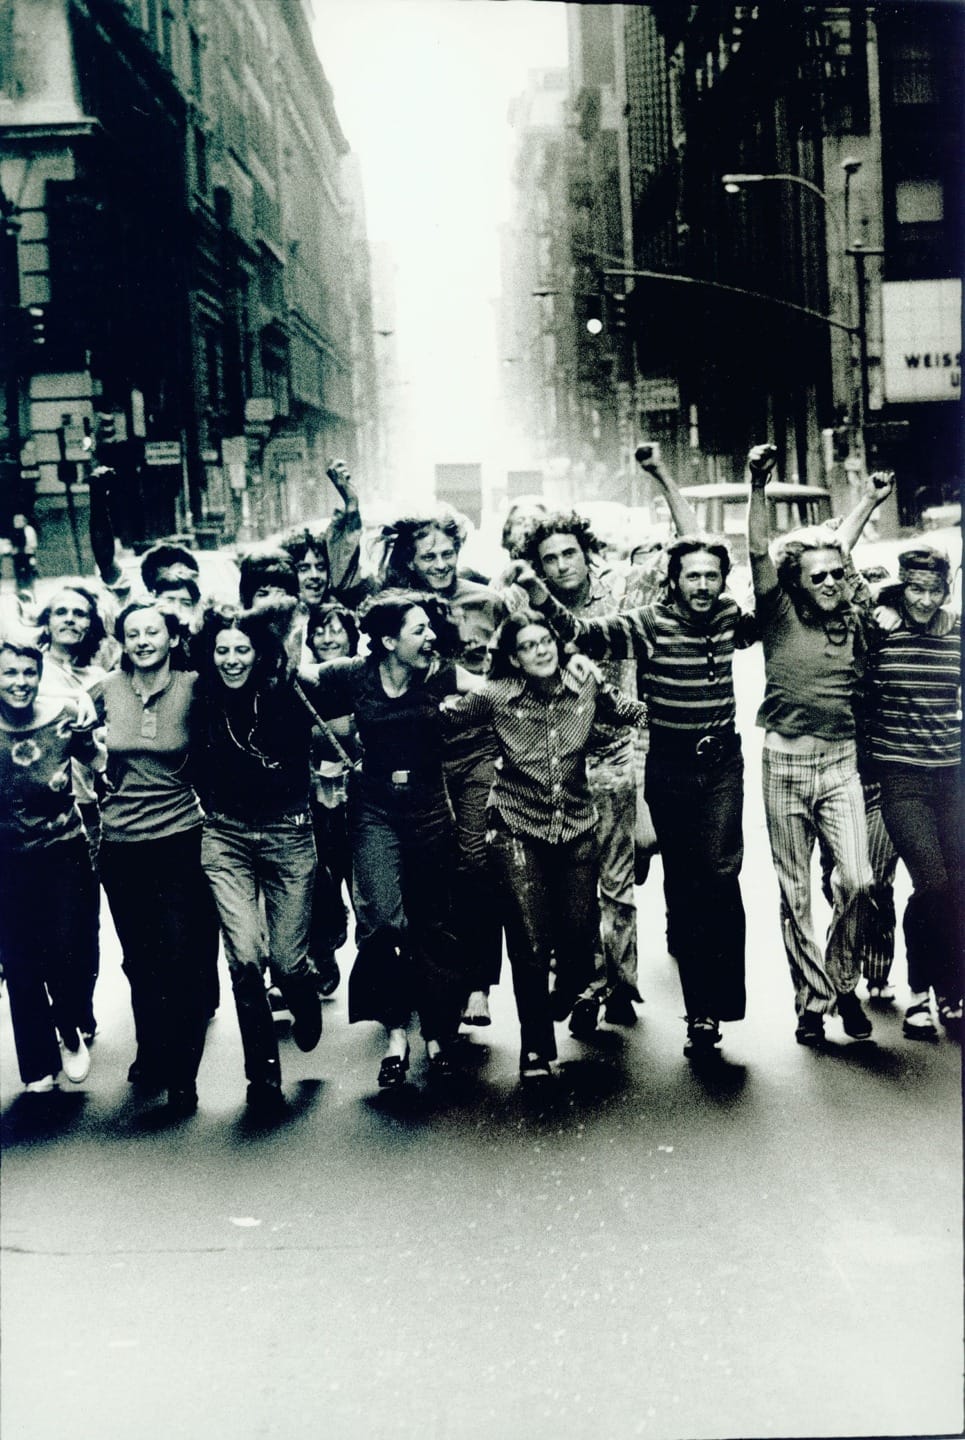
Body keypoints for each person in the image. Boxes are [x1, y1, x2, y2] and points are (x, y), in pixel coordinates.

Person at [512, 524, 757, 1060]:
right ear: (672, 581)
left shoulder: (728, 619)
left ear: (722, 581)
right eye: (691, 575)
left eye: (712, 575)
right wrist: (538, 596)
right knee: (688, 884)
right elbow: (580, 630)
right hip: (669, 763)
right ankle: (702, 1013)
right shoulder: (648, 624)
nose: (702, 584)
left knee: (720, 876)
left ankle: (722, 998)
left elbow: (769, 582)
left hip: (722, 764)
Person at [441, 610, 648, 1080]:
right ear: (513, 657)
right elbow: (444, 718)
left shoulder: (586, 687)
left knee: (577, 938)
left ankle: (569, 986)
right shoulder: (495, 696)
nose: (540, 651)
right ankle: (534, 1047)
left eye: (545, 641)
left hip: (576, 827)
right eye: (528, 646)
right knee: (530, 944)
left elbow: (632, 712)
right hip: (516, 829)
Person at [747, 447, 895, 1047]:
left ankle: (838, 981)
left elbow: (838, 552)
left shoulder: (851, 617)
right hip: (782, 763)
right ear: (795, 583)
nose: (832, 581)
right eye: (819, 576)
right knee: (796, 893)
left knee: (859, 881)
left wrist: (868, 502)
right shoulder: (779, 612)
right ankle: (812, 1004)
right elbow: (760, 552)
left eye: (839, 573)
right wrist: (757, 483)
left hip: (840, 764)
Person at [302, 590, 478, 1089]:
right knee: (381, 921)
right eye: (418, 630)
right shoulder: (350, 675)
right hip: (373, 807)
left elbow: (490, 691)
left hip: (428, 807)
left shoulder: (440, 673)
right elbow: (298, 680)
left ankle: (438, 1036)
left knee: (432, 922)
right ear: (386, 641)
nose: (429, 637)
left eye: (429, 628)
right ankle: (396, 1034)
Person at [191, 600, 324, 1114]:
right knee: (246, 958)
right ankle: (263, 1074)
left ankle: (302, 990)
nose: (230, 659)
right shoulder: (200, 694)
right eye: (221, 649)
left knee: (288, 962)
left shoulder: (286, 690)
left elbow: (293, 611)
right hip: (224, 835)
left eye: (241, 649)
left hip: (289, 833)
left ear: (258, 652)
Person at [376, 508, 506, 1028]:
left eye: (446, 553)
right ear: (409, 558)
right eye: (426, 555)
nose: (438, 563)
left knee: (476, 864)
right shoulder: (398, 609)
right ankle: (432, 983)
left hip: (476, 749)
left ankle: (479, 984)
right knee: (426, 876)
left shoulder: (486, 601)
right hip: (416, 757)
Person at [91, 600, 216, 1115]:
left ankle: (183, 1074)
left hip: (181, 837)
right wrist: (94, 767)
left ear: (170, 638)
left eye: (152, 632)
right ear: (123, 640)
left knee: (182, 954)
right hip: (120, 845)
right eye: (133, 633)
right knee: (141, 960)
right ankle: (150, 1046)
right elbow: (70, 737)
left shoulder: (193, 687)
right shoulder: (104, 690)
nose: (143, 641)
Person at [865, 545, 962, 1040]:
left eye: (933, 590)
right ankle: (919, 995)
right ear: (902, 586)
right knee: (933, 884)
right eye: (914, 589)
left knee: (959, 888)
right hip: (901, 779)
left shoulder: (958, 632)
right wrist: (881, 599)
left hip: (952, 776)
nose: (923, 600)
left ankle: (950, 992)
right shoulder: (881, 629)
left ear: (946, 589)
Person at [0, 637, 101, 1093]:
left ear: (39, 677)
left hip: (62, 849)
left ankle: (69, 1027)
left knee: (66, 948)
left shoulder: (63, 717)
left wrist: (85, 709)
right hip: (5, 859)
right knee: (19, 962)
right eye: (8, 673)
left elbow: (97, 759)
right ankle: (38, 1064)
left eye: (27, 673)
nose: (19, 683)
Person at [35, 584, 108, 1039]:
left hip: (93, 808)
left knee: (84, 918)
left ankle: (78, 1003)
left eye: (79, 614)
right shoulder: (27, 672)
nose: (70, 620)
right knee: (44, 919)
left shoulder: (101, 677)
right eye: (61, 612)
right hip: (41, 809)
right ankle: (60, 1003)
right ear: (46, 621)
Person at [304, 602, 362, 1000]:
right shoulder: (303, 682)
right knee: (318, 880)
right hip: (313, 795)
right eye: (320, 631)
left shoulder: (365, 676)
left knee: (364, 885)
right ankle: (322, 955)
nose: (328, 638)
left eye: (336, 630)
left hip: (360, 794)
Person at [9, 513, 39, 598]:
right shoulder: (14, 531)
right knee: (18, 574)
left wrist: (26, 550)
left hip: (27, 555)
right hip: (18, 556)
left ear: (24, 521)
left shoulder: (29, 530)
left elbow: (32, 544)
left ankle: (29, 590)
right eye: (15, 521)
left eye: (19, 520)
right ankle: (19, 590)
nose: (16, 522)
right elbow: (12, 544)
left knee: (28, 573)